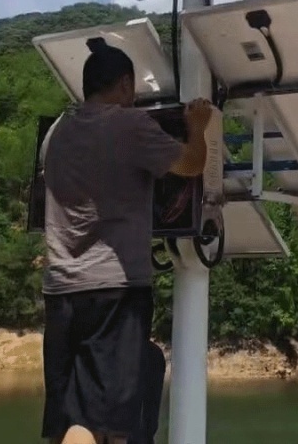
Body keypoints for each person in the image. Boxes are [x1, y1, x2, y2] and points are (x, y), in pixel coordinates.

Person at [40, 36, 213, 444]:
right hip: (114, 292)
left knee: (72, 418)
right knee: (110, 423)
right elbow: (190, 164)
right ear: (123, 85)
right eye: (131, 90)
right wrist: (198, 128)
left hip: (62, 291)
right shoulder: (129, 124)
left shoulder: (57, 133)